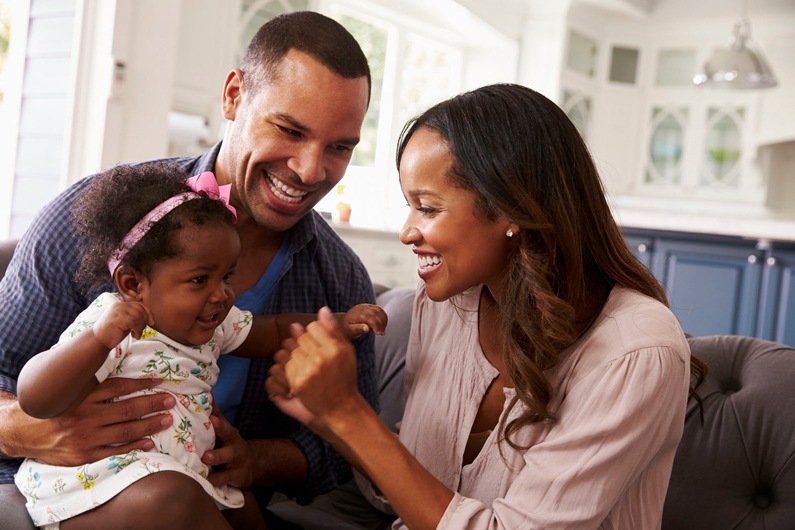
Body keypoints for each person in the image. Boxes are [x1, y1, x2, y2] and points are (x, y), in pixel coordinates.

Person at [266, 83, 708, 530]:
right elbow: (406, 494)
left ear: (510, 208)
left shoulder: (635, 350)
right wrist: (328, 416)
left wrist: (350, 415)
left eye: (427, 208)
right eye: (409, 206)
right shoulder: (444, 304)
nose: (407, 232)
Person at [0, 10, 377, 529]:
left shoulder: (340, 279)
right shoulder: (93, 223)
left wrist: (254, 460)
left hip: (212, 492)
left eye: (339, 147)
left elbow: (347, 449)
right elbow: (12, 375)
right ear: (233, 96)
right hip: (72, 493)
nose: (311, 170)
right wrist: (29, 429)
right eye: (290, 130)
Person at [13, 165, 386, 530]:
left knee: (243, 504)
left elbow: (274, 330)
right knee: (174, 496)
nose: (221, 294)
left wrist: (336, 322)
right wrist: (96, 341)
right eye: (199, 279)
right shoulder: (111, 325)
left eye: (227, 276)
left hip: (187, 472)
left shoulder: (216, 323)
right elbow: (35, 398)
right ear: (133, 285)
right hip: (100, 488)